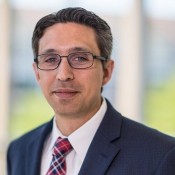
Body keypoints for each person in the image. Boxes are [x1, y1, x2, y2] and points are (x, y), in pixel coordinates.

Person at [7, 7, 175, 175]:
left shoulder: (160, 156)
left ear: (107, 72)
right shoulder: (19, 150)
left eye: (80, 58)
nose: (64, 75)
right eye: (50, 59)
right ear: (37, 73)